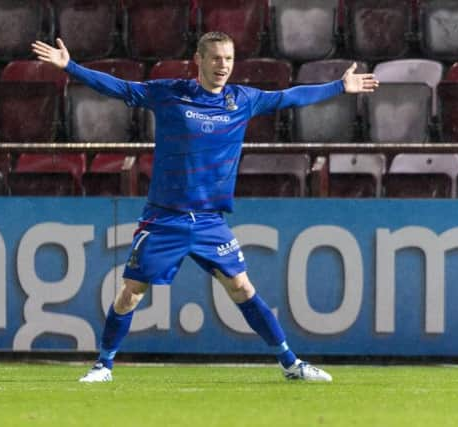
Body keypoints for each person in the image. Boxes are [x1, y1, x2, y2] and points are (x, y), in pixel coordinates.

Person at [32, 32, 378, 383]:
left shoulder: (242, 99)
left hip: (210, 222)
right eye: (215, 58)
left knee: (242, 288)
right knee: (131, 294)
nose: (223, 66)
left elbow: (290, 97)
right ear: (198, 60)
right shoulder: (171, 93)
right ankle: (103, 365)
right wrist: (70, 67)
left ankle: (291, 364)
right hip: (165, 217)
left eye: (228, 59)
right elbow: (122, 89)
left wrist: (339, 86)